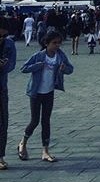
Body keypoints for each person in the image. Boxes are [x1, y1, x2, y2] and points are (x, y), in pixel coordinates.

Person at [18, 28, 73, 163]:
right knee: (35, 120)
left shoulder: (60, 56)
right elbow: (24, 68)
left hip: (49, 92)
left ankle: (45, 151)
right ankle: (23, 143)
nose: (57, 46)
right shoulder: (39, 56)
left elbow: (70, 69)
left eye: (59, 43)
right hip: (36, 93)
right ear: (47, 43)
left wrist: (64, 69)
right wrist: (38, 66)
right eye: (54, 43)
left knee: (46, 121)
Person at [0, 17, 17, 170]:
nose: (1, 38)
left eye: (3, 36)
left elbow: (11, 64)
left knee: (2, 122)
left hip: (1, 88)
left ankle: (0, 156)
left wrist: (3, 66)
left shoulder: (9, 44)